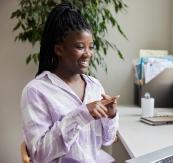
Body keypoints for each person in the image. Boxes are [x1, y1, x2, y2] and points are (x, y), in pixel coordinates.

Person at [20, 3, 119, 163]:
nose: (88, 54)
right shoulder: (36, 91)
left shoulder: (94, 86)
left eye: (91, 47)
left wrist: (111, 115)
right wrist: (82, 114)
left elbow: (107, 140)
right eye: (80, 47)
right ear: (59, 49)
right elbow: (39, 154)